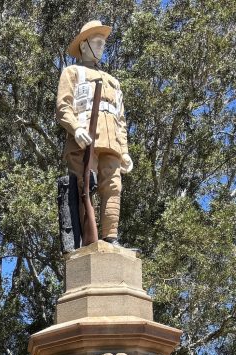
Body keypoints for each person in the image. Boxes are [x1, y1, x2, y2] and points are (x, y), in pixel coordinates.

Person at [56, 19, 134, 248]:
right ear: (83, 45)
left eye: (103, 43)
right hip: (84, 139)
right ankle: (85, 242)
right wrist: (76, 128)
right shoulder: (73, 72)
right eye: (96, 42)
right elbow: (63, 107)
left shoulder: (113, 82)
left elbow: (120, 118)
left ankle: (111, 237)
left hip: (111, 142)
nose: (101, 47)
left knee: (113, 187)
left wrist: (125, 151)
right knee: (84, 187)